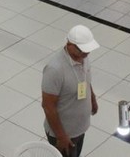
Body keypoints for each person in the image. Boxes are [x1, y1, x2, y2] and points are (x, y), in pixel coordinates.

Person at [42, 25, 99, 157]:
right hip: (64, 134)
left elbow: (85, 79)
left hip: (79, 128)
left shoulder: (83, 57)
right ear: (69, 44)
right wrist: (61, 137)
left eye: (88, 50)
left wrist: (92, 98)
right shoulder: (54, 69)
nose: (86, 54)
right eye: (82, 50)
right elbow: (48, 106)